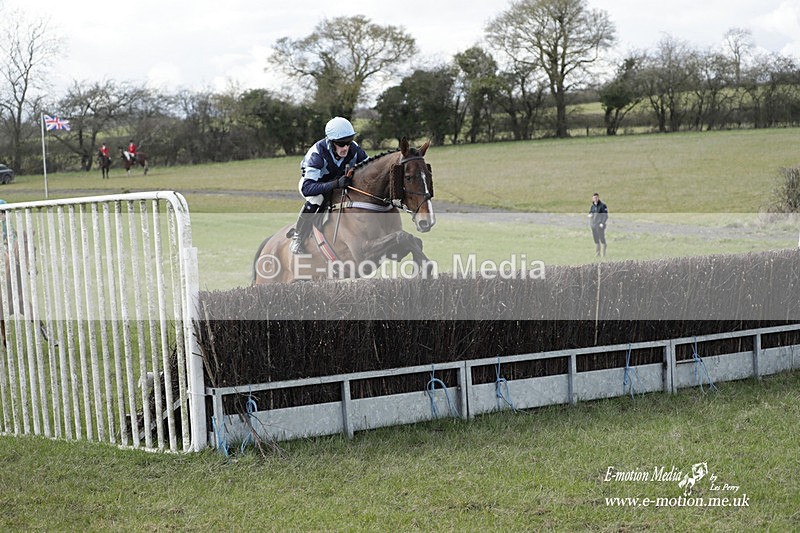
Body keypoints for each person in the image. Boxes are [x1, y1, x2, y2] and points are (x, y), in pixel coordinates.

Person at [289, 117, 368, 254]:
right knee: (317, 199)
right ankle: (298, 236)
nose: (346, 148)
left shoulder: (354, 148)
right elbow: (307, 188)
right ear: (331, 142)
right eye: (341, 143)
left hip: (337, 181)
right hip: (314, 183)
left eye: (348, 142)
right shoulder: (318, 153)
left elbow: (369, 167)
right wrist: (336, 184)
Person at [588, 192, 608, 257]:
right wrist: (590, 215)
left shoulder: (603, 206)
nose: (595, 199)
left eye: (596, 197)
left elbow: (605, 216)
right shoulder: (592, 206)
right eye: (594, 198)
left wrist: (602, 223)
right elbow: (591, 212)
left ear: (598, 198)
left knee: (602, 238)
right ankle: (597, 253)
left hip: (600, 225)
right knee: (596, 239)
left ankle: (604, 254)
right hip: (594, 225)